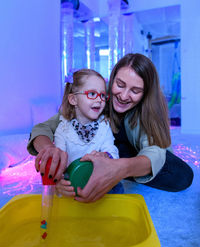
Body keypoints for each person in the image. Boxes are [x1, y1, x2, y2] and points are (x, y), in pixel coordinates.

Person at [27, 53, 193, 202]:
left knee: (181, 175)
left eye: (135, 91)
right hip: (100, 149)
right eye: (120, 85)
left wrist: (120, 168)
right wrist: (50, 151)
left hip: (131, 153)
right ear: (112, 80)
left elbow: (155, 151)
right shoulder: (96, 97)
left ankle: (114, 167)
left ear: (145, 94)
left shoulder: (148, 111)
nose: (123, 96)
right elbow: (44, 128)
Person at [35, 68, 120, 197]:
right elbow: (57, 160)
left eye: (103, 95)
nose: (99, 100)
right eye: (92, 94)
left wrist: (107, 156)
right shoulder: (63, 130)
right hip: (74, 183)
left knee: (118, 188)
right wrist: (58, 181)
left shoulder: (104, 126)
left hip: (99, 182)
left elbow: (112, 149)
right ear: (73, 100)